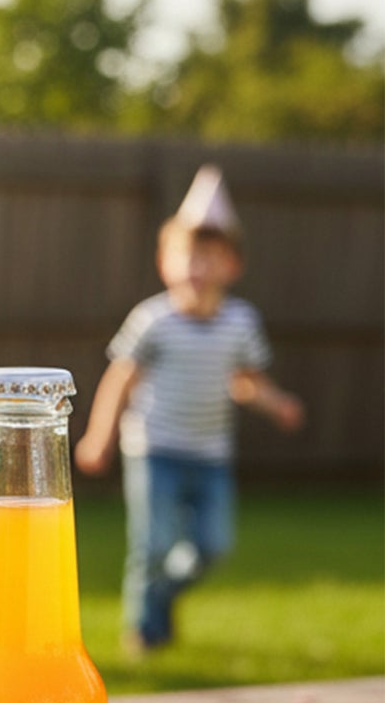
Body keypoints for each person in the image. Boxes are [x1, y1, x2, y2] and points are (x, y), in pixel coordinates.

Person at [75, 166, 305, 654]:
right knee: (153, 546)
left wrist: (276, 403)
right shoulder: (153, 321)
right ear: (166, 263)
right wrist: (99, 436)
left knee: (211, 547)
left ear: (231, 266)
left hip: (210, 454)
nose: (198, 269)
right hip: (155, 448)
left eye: (210, 258)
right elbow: (120, 379)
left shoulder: (242, 323)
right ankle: (143, 630)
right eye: (188, 257)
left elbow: (245, 383)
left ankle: (159, 602)